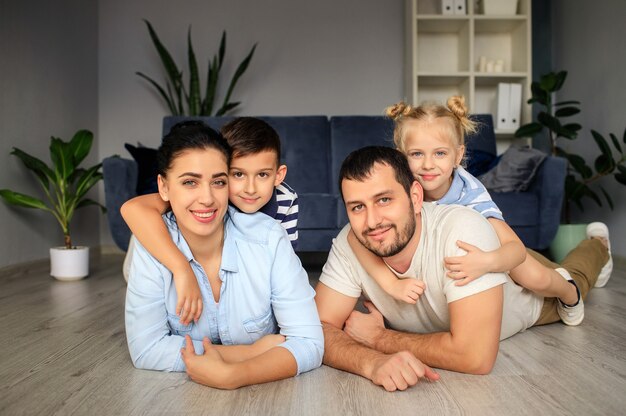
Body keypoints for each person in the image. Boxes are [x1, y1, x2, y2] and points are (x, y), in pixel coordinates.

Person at [315, 146, 611, 390]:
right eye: (357, 207)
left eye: (384, 200)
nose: (372, 221)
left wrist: (379, 340)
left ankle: (598, 245)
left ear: (415, 197)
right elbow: (317, 330)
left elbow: (475, 356)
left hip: (524, 292)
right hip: (493, 255)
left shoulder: (462, 230)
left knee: (575, 279)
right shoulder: (350, 242)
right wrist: (371, 362)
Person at [346, 97, 584, 326]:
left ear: (458, 155)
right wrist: (390, 284)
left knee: (534, 277)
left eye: (440, 153)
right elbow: (353, 238)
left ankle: (570, 292)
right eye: (417, 154)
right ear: (400, 154)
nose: (428, 164)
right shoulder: (400, 188)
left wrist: (487, 262)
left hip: (493, 252)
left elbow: (515, 250)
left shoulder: (469, 195)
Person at [124, 121, 323, 389]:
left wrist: (237, 375)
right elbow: (147, 350)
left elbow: (308, 341)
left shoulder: (270, 235)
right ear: (163, 187)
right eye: (190, 182)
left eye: (218, 182)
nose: (207, 198)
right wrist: (247, 354)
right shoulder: (150, 243)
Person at [122, 117, 298, 325]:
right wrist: (181, 267)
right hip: (152, 248)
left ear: (278, 176)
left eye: (262, 175)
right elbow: (132, 208)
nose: (250, 189)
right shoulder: (207, 198)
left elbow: (285, 266)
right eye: (238, 174)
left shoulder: (286, 199)